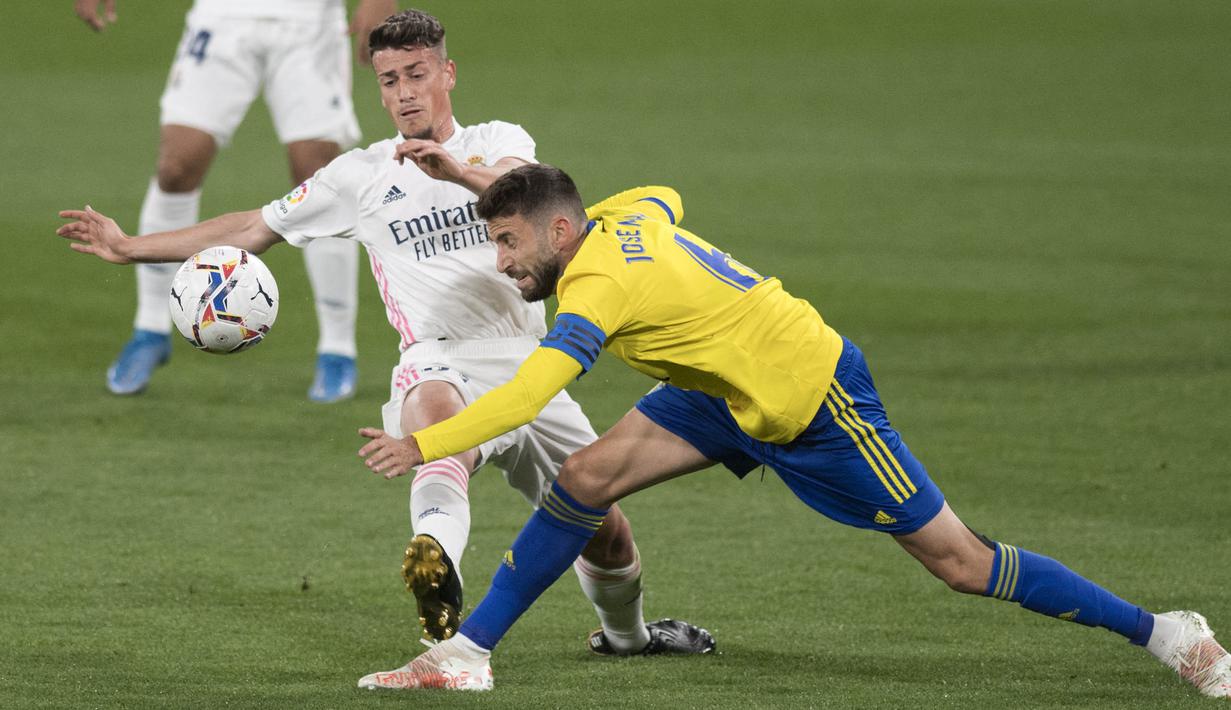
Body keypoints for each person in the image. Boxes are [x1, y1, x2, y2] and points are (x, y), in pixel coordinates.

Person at [336, 164, 1231, 696]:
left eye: (506, 243)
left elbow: (533, 390)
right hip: (717, 391)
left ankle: (1168, 633)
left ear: (561, 230)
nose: (502, 263)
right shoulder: (626, 214)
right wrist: (478, 181)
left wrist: (424, 444)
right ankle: (466, 655)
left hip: (812, 399)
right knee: (582, 483)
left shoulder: (596, 286)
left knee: (962, 564)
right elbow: (666, 195)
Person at [58, 8, 715, 686]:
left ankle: (627, 637)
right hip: (440, 354)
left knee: (604, 529)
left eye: (416, 75)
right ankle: (439, 574)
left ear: (447, 74)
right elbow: (254, 226)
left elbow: (541, 199)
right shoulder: (358, 177)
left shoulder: (497, 142)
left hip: (530, 363)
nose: (403, 92)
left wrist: (456, 172)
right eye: (388, 80)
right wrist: (130, 247)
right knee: (436, 420)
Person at [74, 0, 397, 401]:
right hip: (221, 15)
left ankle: (337, 349)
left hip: (309, 22)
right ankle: (150, 328)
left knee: (317, 174)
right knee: (177, 166)